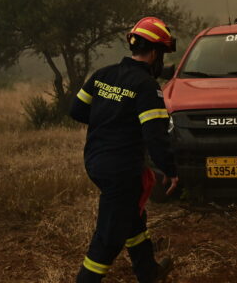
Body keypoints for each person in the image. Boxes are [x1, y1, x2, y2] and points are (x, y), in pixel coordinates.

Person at [70, 16, 179, 283]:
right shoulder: (146, 87)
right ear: (154, 53)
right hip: (121, 170)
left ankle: (149, 273)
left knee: (133, 219)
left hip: (95, 162)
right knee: (108, 238)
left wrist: (110, 120)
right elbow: (155, 137)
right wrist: (170, 170)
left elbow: (77, 110)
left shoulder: (102, 75)